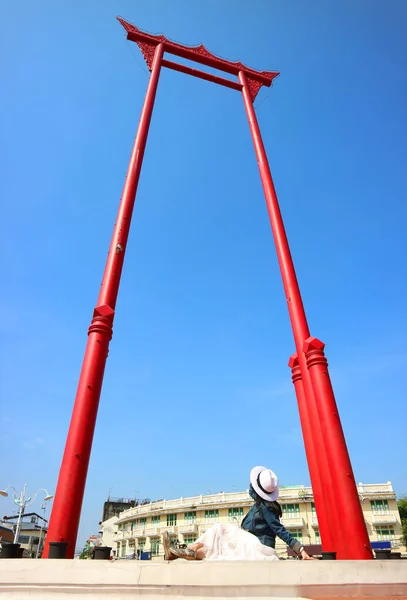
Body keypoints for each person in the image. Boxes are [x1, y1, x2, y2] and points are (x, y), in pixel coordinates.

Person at [163, 466, 315, 561]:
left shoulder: (266, 508)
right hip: (249, 543)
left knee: (219, 529)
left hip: (258, 546)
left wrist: (300, 550)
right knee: (215, 548)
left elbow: (279, 530)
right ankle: (181, 552)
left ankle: (185, 549)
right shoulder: (258, 506)